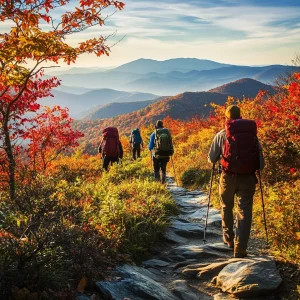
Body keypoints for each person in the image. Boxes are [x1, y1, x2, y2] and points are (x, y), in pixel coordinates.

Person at [208, 105, 264, 258]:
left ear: (226, 118)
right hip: (248, 178)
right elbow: (261, 163)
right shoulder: (252, 135)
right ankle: (240, 248)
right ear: (241, 116)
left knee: (226, 206)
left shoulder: (221, 134)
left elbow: (211, 158)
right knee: (244, 211)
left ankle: (229, 239)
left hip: (227, 177)